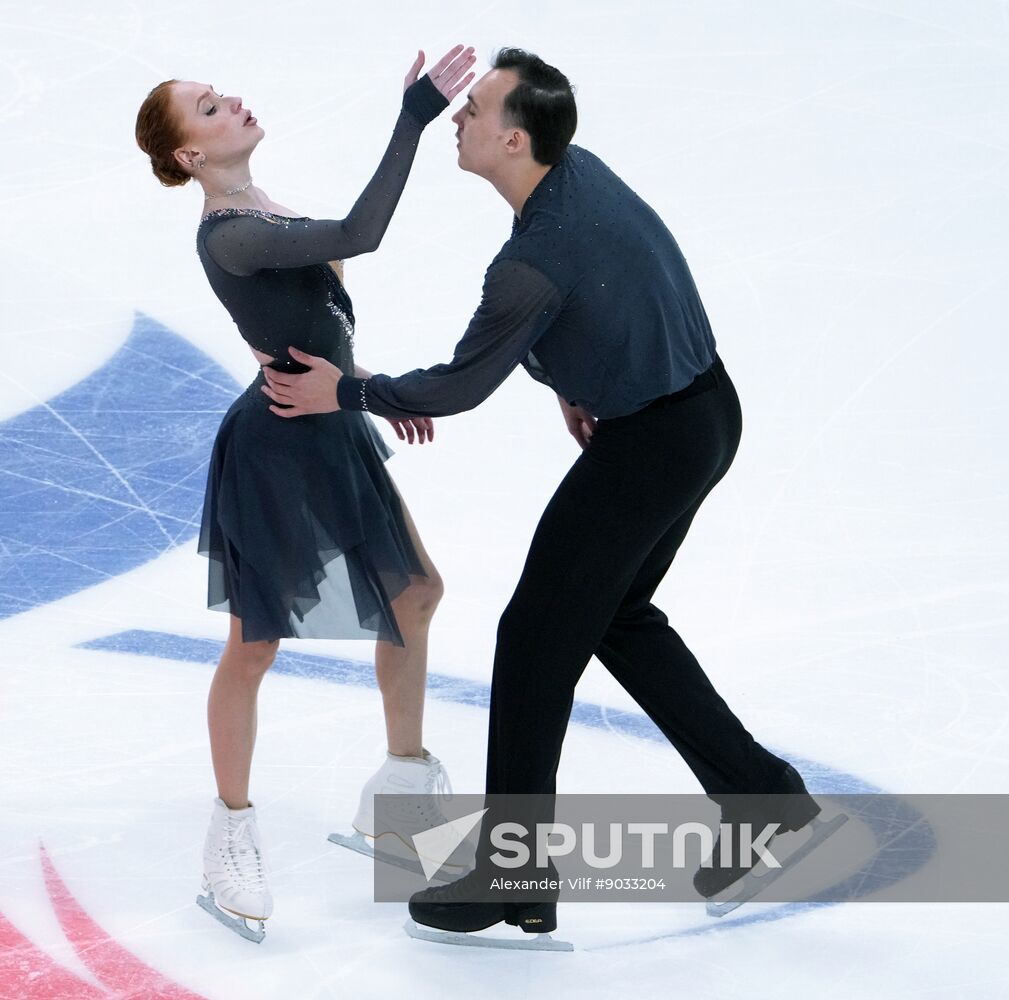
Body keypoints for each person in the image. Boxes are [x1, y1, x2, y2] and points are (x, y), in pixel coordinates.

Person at [259, 47, 825, 945]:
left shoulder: (530, 265)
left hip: (652, 445)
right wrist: (574, 377)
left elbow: (456, 387)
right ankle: (762, 799)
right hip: (705, 412)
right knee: (615, 615)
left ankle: (513, 869)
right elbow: (619, 289)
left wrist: (350, 391)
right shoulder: (577, 178)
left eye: (475, 109)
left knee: (533, 635)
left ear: (514, 139)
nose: (461, 118)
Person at [133, 45, 476, 942]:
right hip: (276, 446)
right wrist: (413, 117)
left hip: (325, 418)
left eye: (219, 93)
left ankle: (400, 793)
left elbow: (312, 316)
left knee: (416, 592)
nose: (230, 102)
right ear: (188, 158)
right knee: (255, 645)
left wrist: (366, 389)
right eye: (207, 108)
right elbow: (360, 233)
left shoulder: (257, 206)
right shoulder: (231, 232)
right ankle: (230, 836)